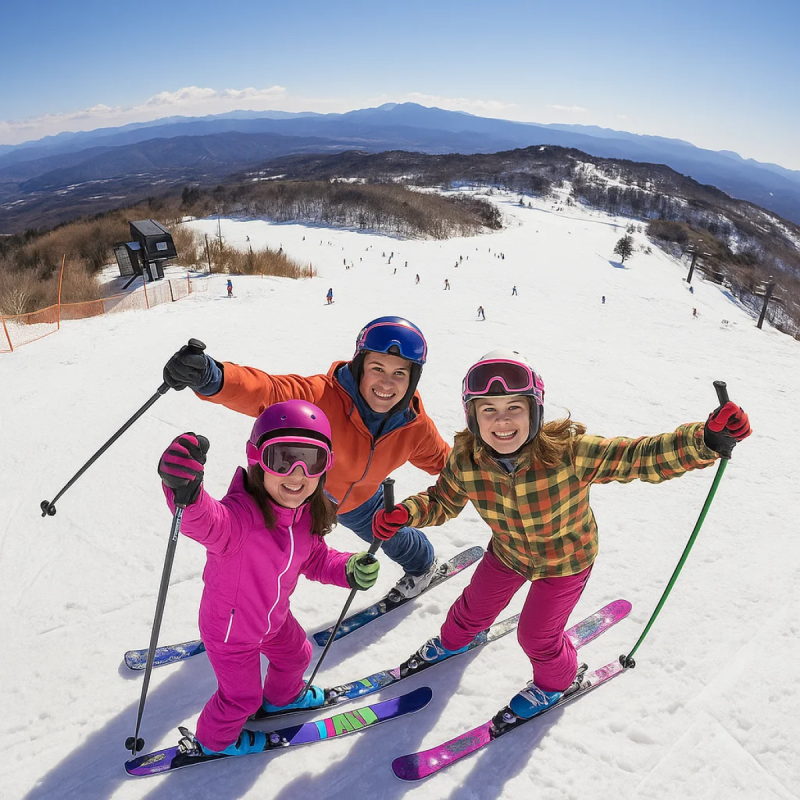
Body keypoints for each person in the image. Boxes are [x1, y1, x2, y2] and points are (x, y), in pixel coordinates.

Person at [372, 349, 751, 723]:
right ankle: (455, 641)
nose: (501, 421)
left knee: (536, 637)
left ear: (535, 411)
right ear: (473, 416)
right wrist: (407, 512)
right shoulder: (467, 459)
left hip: (566, 562)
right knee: (472, 607)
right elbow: (443, 500)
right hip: (507, 553)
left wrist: (705, 439)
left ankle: (557, 681)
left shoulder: (569, 452)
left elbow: (638, 456)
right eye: (488, 409)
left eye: (514, 408)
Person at [162, 317, 448, 599]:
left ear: (412, 379)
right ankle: (246, 610)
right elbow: (271, 392)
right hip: (299, 493)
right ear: (360, 367)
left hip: (360, 502)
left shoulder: (414, 426)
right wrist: (216, 378)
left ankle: (423, 566)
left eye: (400, 373)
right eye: (377, 368)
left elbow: (449, 464)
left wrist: (486, 469)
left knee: (393, 535)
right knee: (261, 551)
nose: (387, 383)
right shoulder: (323, 396)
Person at [157, 401, 380, 757]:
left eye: (312, 461)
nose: (297, 474)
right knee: (241, 698)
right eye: (282, 459)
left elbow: (317, 558)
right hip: (231, 633)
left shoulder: (305, 516)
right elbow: (205, 520)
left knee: (297, 656)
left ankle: (282, 699)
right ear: (258, 460)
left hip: (272, 621)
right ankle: (215, 742)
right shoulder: (238, 520)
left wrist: (348, 567)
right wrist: (184, 491)